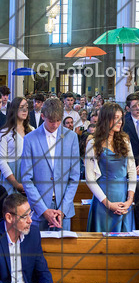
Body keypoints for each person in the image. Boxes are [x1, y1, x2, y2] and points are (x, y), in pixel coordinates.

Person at [20, 98, 80, 230]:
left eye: (58, 120)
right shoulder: (30, 139)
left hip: (63, 210)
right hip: (39, 210)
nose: (55, 125)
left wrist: (63, 209)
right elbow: (26, 178)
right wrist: (43, 210)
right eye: (51, 121)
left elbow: (75, 177)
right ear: (43, 116)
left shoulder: (71, 137)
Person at [83, 104, 137, 233]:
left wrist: (129, 200)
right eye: (116, 117)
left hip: (124, 198)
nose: (120, 121)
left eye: (121, 117)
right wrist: (108, 204)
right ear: (106, 119)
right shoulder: (93, 143)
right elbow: (90, 179)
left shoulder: (125, 140)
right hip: (103, 200)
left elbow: (132, 170)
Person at [0, 193, 55, 283]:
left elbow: (43, 271)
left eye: (30, 214)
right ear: (9, 218)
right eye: (24, 216)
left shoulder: (33, 233)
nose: (30, 220)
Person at [0, 98, 31, 195]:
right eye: (21, 107)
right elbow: (2, 161)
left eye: (26, 107)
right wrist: (16, 184)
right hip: (11, 178)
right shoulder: (5, 133)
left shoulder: (32, 131)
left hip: (28, 178)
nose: (25, 110)